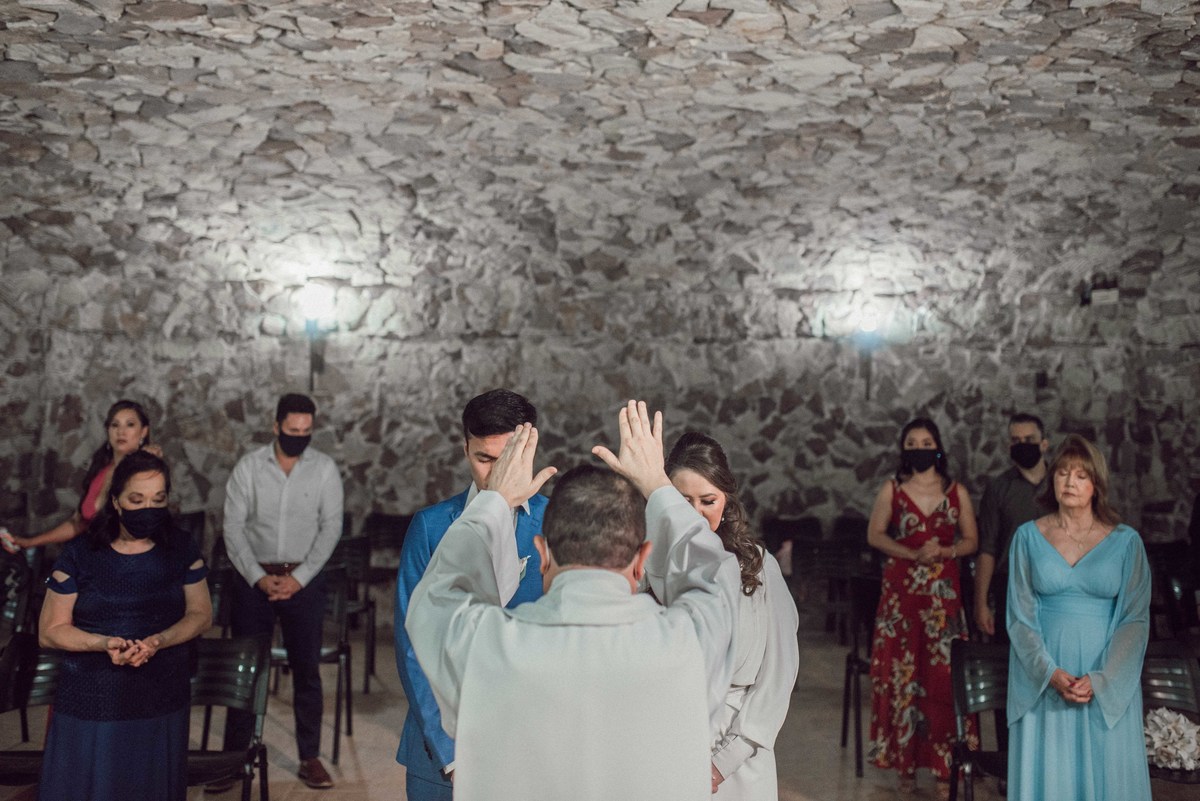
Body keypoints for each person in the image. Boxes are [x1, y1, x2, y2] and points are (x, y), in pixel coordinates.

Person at [406, 401, 740, 801]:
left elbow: (435, 597)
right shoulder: (687, 644)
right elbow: (716, 574)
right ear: (642, 561)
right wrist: (658, 486)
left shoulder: (490, 646)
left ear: (542, 555)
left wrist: (493, 501)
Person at [393, 389, 547, 801]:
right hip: (442, 750)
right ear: (465, 450)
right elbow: (413, 646)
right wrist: (451, 754)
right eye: (484, 459)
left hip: (533, 746)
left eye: (508, 459)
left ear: (529, 451)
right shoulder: (431, 527)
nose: (496, 476)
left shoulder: (557, 521)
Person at [36, 450, 211, 801]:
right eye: (137, 499)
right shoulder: (81, 553)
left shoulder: (181, 548)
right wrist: (103, 643)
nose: (148, 508)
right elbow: (50, 630)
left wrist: (160, 640)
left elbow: (201, 614)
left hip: (160, 690)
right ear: (116, 501)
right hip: (92, 694)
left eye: (158, 499)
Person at [1006, 434, 1151, 801]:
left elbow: (1135, 619)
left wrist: (1102, 679)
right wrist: (1049, 673)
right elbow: (1020, 616)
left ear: (1096, 485)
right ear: (1052, 479)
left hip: (1106, 679)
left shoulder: (1126, 541)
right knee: (1051, 776)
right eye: (1063, 473)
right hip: (1046, 678)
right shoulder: (1027, 537)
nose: (1070, 482)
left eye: (1081, 475)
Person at [216, 393, 344, 791]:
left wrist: (299, 578)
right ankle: (232, 759)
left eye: (306, 432)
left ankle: (310, 757)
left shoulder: (324, 470)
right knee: (244, 669)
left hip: (303, 581)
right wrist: (257, 576)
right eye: (292, 430)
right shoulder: (249, 467)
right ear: (276, 427)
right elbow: (233, 528)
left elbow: (331, 528)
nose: (299, 437)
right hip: (253, 579)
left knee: (306, 669)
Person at [666, 431, 799, 800]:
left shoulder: (758, 566)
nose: (695, 514)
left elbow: (780, 671)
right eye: (682, 501)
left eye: (708, 501)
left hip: (740, 749)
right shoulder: (648, 566)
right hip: (668, 740)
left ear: (726, 501)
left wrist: (728, 758)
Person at [865, 417, 979, 799]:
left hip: (943, 598)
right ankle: (905, 765)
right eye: (911, 443)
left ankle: (947, 766)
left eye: (926, 442)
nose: (919, 449)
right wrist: (911, 553)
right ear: (904, 450)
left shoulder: (956, 491)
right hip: (902, 597)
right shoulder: (893, 489)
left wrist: (945, 551)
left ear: (938, 447)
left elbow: (972, 540)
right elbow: (875, 534)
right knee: (903, 676)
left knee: (943, 679)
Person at [3, 400, 160, 552]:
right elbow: (78, 523)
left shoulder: (144, 472)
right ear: (108, 430)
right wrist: (30, 542)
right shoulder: (101, 469)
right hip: (94, 559)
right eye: (115, 425)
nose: (121, 431)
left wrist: (147, 462)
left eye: (130, 424)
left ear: (143, 431)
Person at [974, 412, 1049, 642]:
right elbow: (987, 548)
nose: (1022, 445)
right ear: (1009, 446)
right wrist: (981, 603)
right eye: (1016, 440)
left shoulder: (1062, 484)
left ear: (1043, 444)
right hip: (1011, 586)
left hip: (1056, 585)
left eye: (1029, 439)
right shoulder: (998, 489)